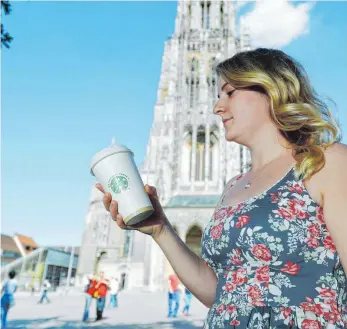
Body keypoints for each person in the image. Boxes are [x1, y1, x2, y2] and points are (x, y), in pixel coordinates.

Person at [96, 48, 347, 328]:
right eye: (218, 96)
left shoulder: (325, 162)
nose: (217, 107)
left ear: (271, 90)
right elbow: (219, 293)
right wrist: (160, 228)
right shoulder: (234, 187)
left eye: (229, 93)